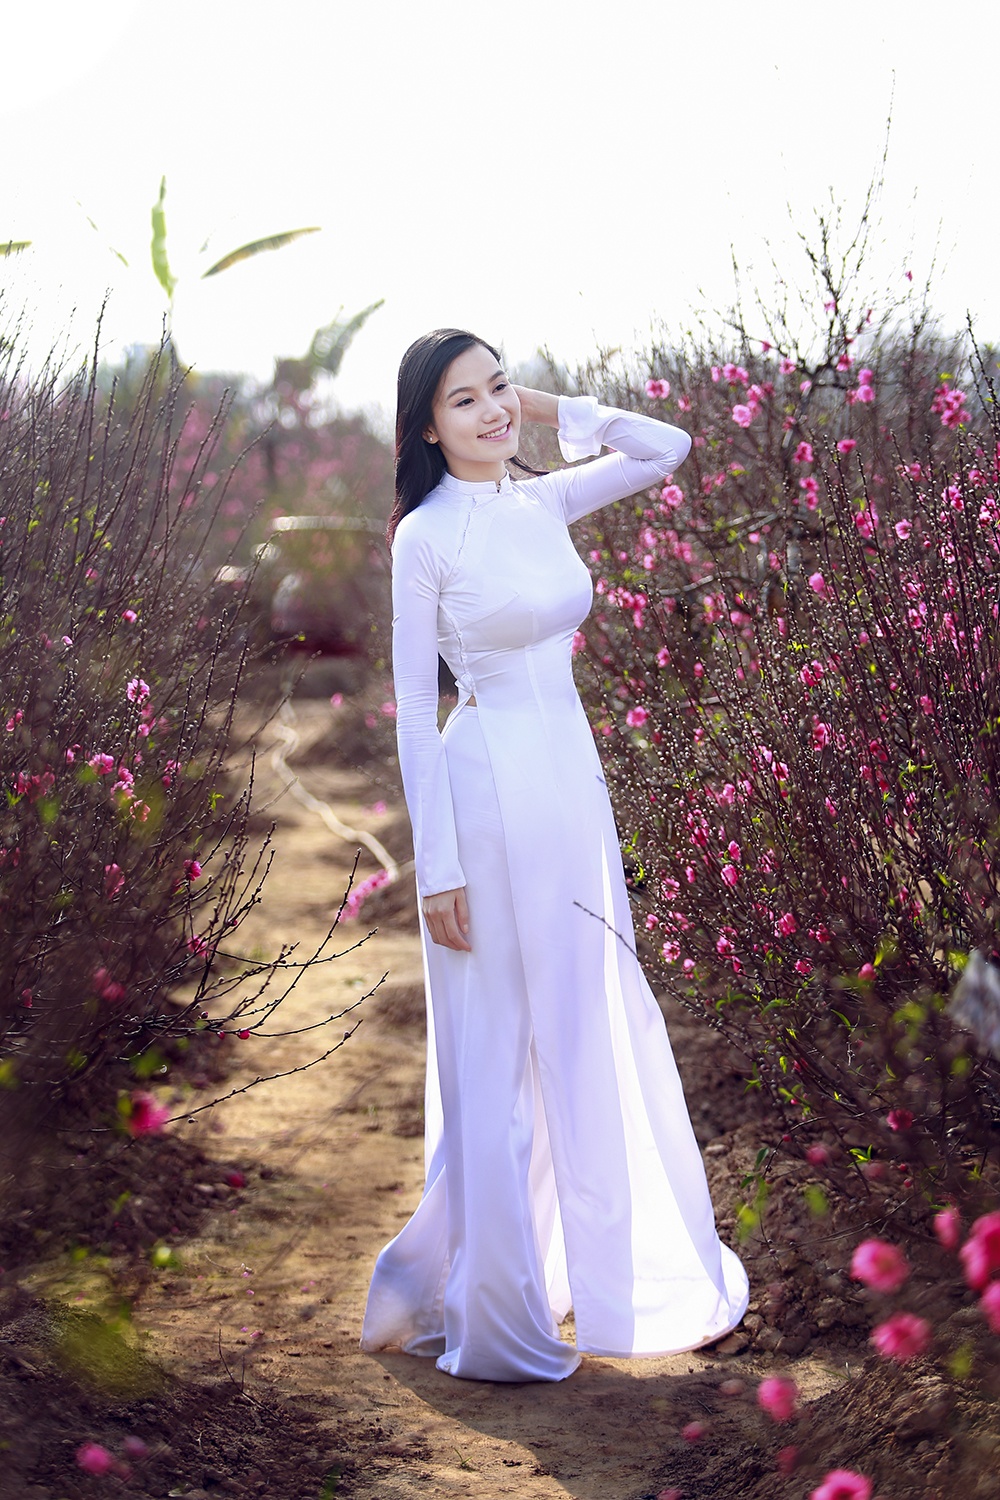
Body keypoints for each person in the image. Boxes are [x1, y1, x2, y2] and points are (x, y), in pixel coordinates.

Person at [360, 329, 748, 1382]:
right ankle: (497, 1313)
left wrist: (541, 405)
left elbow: (665, 447)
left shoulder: (541, 502)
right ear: (423, 427)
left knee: (584, 1020)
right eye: (463, 400)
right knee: (496, 1045)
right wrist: (436, 866)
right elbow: (412, 709)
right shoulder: (424, 537)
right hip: (484, 791)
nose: (489, 412)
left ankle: (606, 1290)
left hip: (572, 787)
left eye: (496, 389)